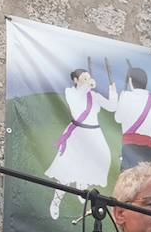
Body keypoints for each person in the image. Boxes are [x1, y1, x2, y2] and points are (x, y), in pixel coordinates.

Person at [46, 63, 115, 219]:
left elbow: (112, 107)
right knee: (66, 170)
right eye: (83, 78)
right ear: (76, 80)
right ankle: (56, 202)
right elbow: (78, 98)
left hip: (94, 134)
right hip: (77, 134)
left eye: (89, 77)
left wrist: (112, 90)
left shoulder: (94, 96)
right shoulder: (71, 92)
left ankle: (82, 188)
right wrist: (87, 85)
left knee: (96, 162)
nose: (87, 80)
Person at [108, 65, 151, 169]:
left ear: (130, 80)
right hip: (149, 150)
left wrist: (116, 95)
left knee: (129, 182)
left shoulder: (126, 96)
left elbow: (118, 118)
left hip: (131, 149)